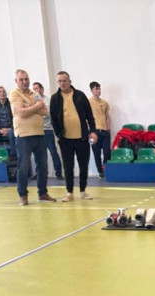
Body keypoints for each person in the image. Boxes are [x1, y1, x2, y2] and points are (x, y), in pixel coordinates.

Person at [49, 70, 97, 201]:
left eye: (65, 80)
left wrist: (93, 131)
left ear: (70, 81)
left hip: (82, 138)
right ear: (57, 82)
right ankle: (69, 192)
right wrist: (59, 134)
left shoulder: (80, 95)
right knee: (68, 166)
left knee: (83, 166)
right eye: (60, 81)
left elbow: (90, 116)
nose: (62, 83)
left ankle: (83, 191)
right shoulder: (55, 98)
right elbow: (53, 119)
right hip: (65, 139)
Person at [11, 69, 55, 205]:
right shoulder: (14, 94)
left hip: (39, 133)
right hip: (23, 135)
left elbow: (45, 111)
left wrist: (29, 106)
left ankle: (42, 193)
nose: (25, 82)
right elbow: (21, 113)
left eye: (26, 79)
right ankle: (23, 195)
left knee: (42, 166)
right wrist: (36, 107)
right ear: (16, 81)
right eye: (21, 79)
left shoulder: (34, 94)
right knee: (23, 167)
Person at [32, 81, 63, 180]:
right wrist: (37, 110)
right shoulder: (33, 100)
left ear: (41, 89)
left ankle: (58, 173)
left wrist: (35, 111)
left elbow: (47, 114)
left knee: (53, 151)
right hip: (37, 130)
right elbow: (32, 113)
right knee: (39, 154)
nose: (35, 91)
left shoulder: (47, 100)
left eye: (36, 89)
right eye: (33, 89)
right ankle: (39, 173)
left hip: (47, 130)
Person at [89, 81, 111, 178]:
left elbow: (107, 116)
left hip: (104, 131)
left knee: (107, 152)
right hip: (94, 132)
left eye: (99, 88)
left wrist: (108, 128)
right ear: (92, 90)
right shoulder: (88, 102)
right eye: (96, 89)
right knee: (96, 153)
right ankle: (100, 171)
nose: (98, 90)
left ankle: (106, 168)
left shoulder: (105, 103)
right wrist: (89, 131)